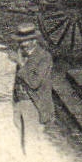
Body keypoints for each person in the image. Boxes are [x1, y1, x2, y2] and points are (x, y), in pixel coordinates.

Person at [10, 22, 53, 153]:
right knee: (21, 140)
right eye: (20, 41)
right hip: (20, 103)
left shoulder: (44, 57)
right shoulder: (22, 53)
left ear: (34, 40)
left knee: (32, 143)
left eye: (25, 42)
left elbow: (34, 83)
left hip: (34, 104)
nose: (22, 45)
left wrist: (21, 65)